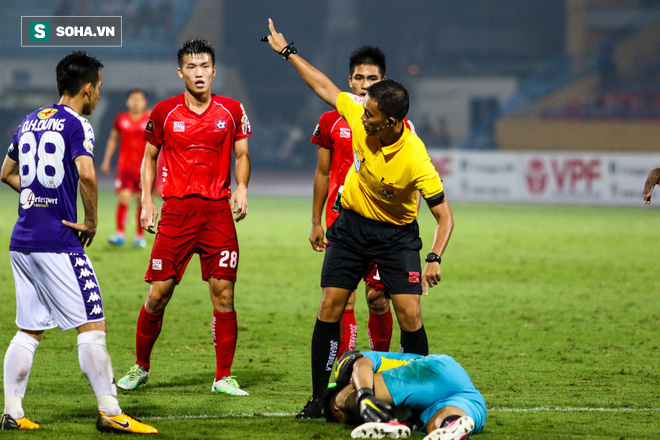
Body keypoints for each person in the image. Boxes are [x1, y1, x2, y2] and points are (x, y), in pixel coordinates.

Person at [265, 19, 454, 418]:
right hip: (350, 227)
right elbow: (325, 87)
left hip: (397, 236)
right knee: (330, 307)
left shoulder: (416, 157)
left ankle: (413, 395)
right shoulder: (357, 113)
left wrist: (434, 257)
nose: (361, 113)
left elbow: (444, 216)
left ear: (391, 121)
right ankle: (319, 398)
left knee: (409, 313)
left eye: (370, 113)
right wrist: (288, 53)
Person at [0, 51, 157, 434]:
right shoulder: (78, 124)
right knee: (92, 323)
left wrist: (37, 193)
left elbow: (6, 173)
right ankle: (110, 410)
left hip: (22, 241)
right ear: (87, 88)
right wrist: (90, 219)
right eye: (99, 88)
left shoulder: (29, 121)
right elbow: (87, 174)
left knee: (29, 329)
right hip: (57, 241)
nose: (100, 94)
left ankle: (12, 411)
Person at [117, 39, 252, 396]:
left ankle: (223, 376)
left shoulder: (232, 110)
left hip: (217, 213)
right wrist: (146, 200)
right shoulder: (163, 112)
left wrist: (241, 187)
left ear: (213, 70)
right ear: (181, 73)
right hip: (176, 213)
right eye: (191, 67)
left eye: (204, 66)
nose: (198, 73)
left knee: (224, 296)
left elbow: (241, 154)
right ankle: (140, 367)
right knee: (158, 294)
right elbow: (148, 157)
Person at [310, 46, 406, 358]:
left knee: (378, 298)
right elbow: (322, 173)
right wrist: (315, 221)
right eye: (359, 78)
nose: (365, 84)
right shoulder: (330, 120)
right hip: (341, 221)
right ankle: (343, 368)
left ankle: (380, 361)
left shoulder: (395, 126)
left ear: (384, 81)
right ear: (349, 81)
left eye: (372, 78)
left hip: (381, 223)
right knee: (343, 299)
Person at [326, 350, 486, 440]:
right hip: (469, 397)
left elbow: (361, 365)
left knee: (344, 397)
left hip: (432, 372)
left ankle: (388, 420)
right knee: (442, 423)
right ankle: (450, 428)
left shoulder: (365, 361)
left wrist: (364, 396)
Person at [100, 88, 151, 248]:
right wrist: (106, 160)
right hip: (125, 168)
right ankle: (120, 234)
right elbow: (113, 140)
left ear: (144, 102)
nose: (136, 102)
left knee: (141, 202)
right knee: (124, 198)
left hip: (144, 169)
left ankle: (139, 236)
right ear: (128, 101)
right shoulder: (120, 118)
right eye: (133, 99)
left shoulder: (150, 119)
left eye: (139, 99)